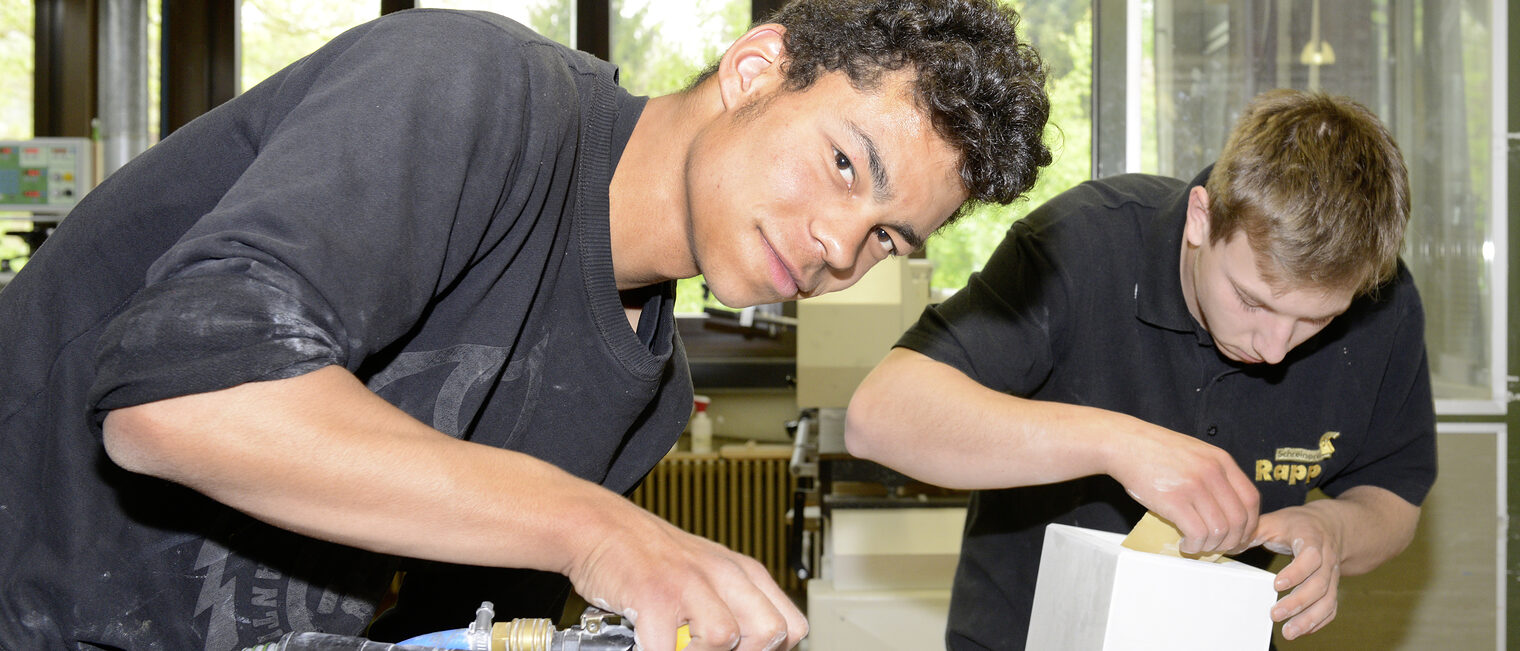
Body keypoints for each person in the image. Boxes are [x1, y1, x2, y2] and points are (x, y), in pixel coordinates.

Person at [0, 1, 1051, 649]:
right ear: (753, 70)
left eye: (886, 239)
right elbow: (176, 404)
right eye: (840, 165)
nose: (838, 244)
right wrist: (600, 531)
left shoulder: (639, 394)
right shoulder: (467, 86)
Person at [845, 88, 1434, 650]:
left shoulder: (1383, 305)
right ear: (1201, 220)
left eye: (1316, 320)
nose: (1276, 349)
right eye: (1252, 301)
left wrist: (1332, 529)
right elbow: (880, 418)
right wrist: (1118, 445)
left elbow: (1392, 499)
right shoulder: (1081, 245)